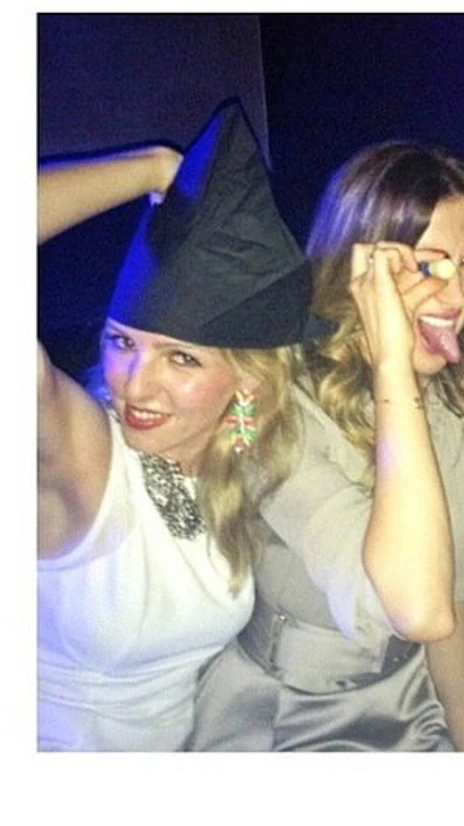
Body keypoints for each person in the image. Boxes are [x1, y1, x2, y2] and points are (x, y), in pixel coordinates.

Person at [188, 141, 464, 751]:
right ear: (357, 269)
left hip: (417, 687)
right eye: (427, 265)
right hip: (294, 710)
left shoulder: (462, 393)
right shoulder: (267, 403)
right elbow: (410, 604)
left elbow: (449, 601)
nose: (457, 296)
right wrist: (391, 363)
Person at [37, 101, 333, 751]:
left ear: (248, 382)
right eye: (121, 342)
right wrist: (152, 168)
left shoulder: (242, 455)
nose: (134, 383)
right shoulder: (84, 452)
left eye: (181, 358)